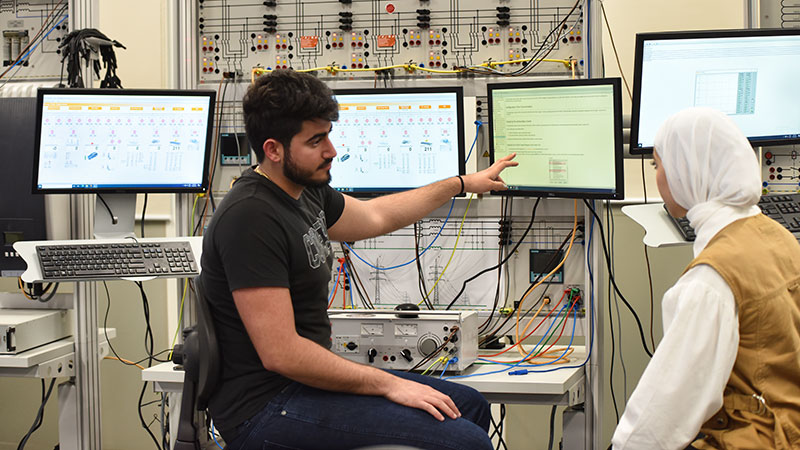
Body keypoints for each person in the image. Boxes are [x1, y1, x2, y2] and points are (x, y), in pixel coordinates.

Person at [199, 69, 518, 450]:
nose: (331, 150)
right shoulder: (251, 217)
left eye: (328, 136)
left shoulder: (305, 192)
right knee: (465, 442)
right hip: (265, 407)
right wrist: (389, 382)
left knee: (469, 405)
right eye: (315, 141)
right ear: (273, 150)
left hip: (304, 386)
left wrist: (461, 184)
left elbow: (376, 216)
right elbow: (282, 354)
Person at [611, 108, 800, 449]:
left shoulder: (711, 280)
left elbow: (664, 411)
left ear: (688, 170)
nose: (659, 176)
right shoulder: (778, 237)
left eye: (658, 165)